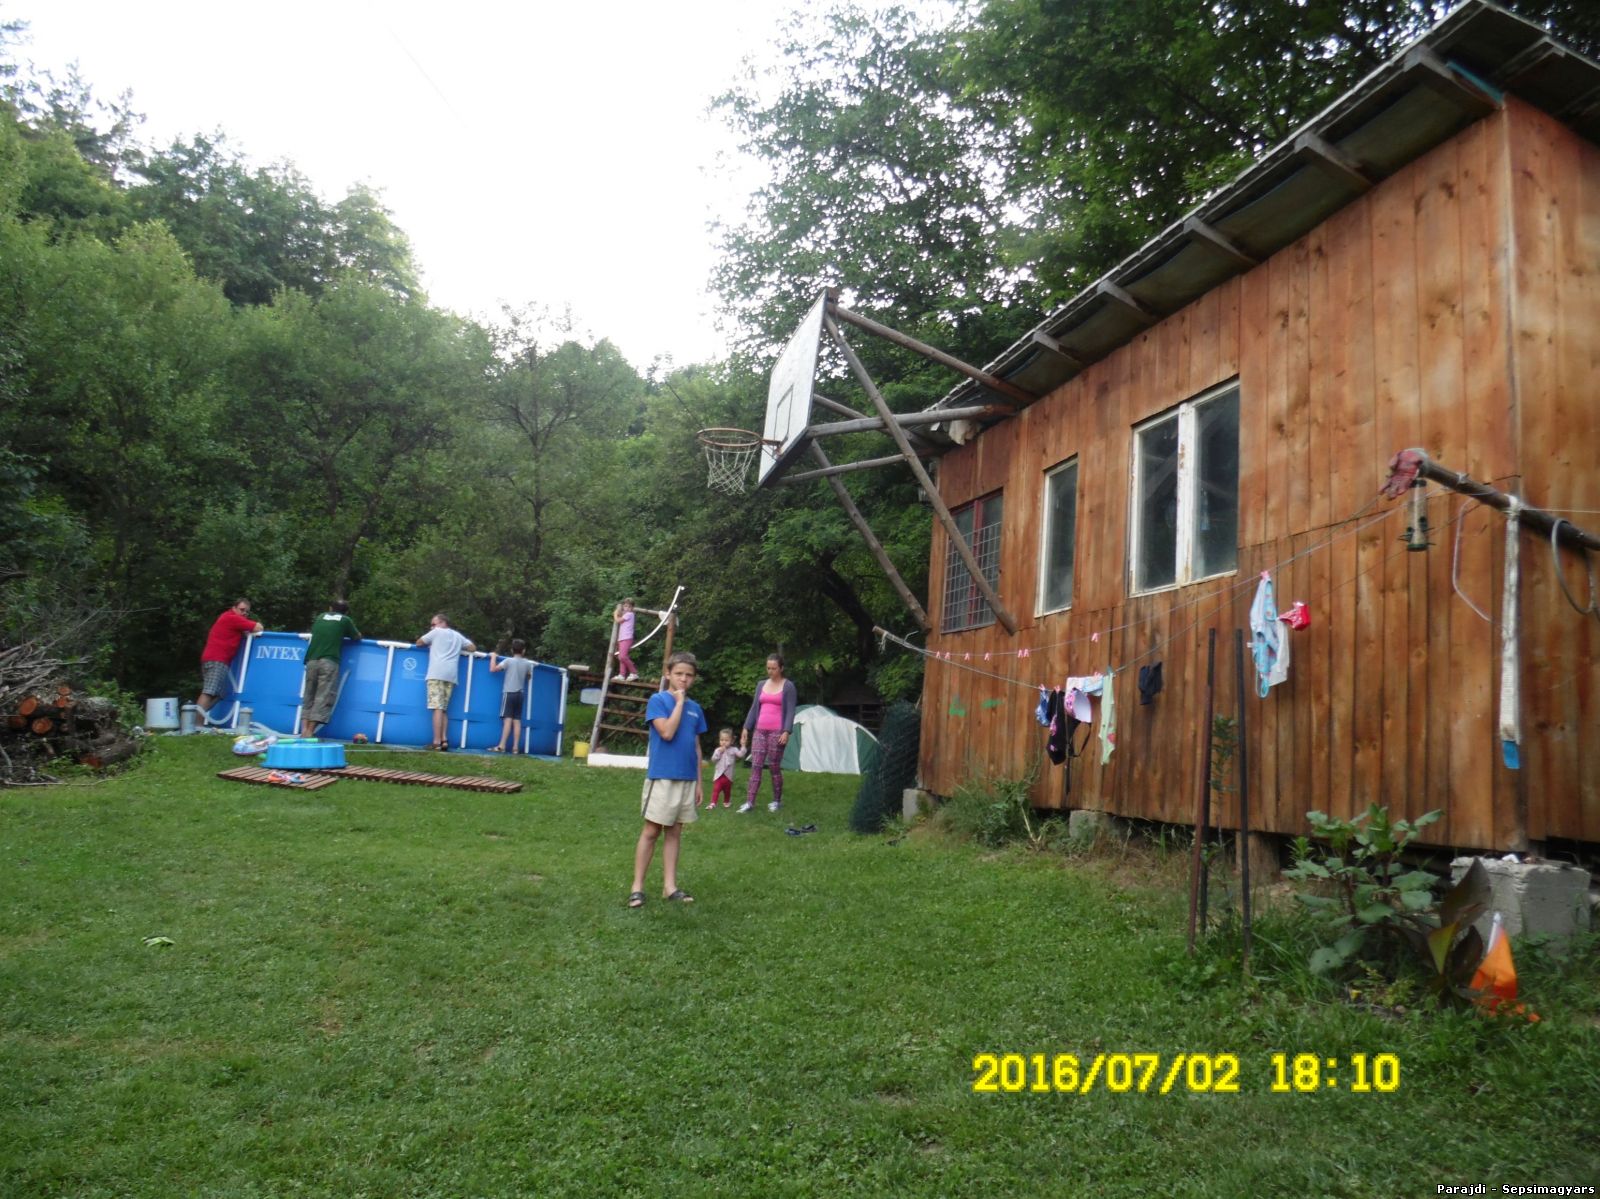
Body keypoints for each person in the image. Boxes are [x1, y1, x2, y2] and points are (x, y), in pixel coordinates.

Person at [628, 651, 706, 908]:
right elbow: (667, 733)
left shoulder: (696, 709)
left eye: (689, 675)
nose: (684, 679)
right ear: (668, 674)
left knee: (674, 832)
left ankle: (669, 887)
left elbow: (696, 747)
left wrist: (699, 782)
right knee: (652, 831)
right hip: (662, 776)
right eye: (679, 674)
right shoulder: (658, 700)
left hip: (687, 778)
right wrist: (679, 703)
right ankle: (637, 888)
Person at [739, 652, 797, 813]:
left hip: (777, 732)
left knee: (773, 766)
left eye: (774, 668)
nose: (770, 671)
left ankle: (777, 801)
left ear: (781, 668)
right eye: (768, 668)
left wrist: (786, 731)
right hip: (760, 730)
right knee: (756, 765)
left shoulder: (788, 686)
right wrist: (746, 727)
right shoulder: (761, 685)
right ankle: (749, 802)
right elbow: (754, 708)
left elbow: (790, 711)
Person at [299, 599, 361, 738]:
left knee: (309, 694)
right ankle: (309, 732)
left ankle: (303, 730)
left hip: (311, 659)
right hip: (329, 661)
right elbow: (357, 636)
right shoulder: (345, 620)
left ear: (330, 608)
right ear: (346, 611)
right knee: (323, 696)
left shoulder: (320, 617)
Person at [197, 598, 264, 724]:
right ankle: (196, 725)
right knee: (209, 692)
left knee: (220, 694)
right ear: (234, 608)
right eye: (242, 610)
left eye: (247, 612)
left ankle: (195, 719)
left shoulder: (228, 618)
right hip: (217, 659)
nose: (244, 613)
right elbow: (258, 627)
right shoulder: (232, 618)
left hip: (216, 659)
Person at [416, 613, 475, 751]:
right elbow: (472, 647)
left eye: (433, 624)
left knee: (437, 707)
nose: (431, 627)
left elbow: (419, 642)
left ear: (443, 623)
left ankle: (436, 742)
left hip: (436, 673)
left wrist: (432, 643)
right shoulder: (457, 636)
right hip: (451, 675)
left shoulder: (436, 632)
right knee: (442, 708)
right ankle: (444, 740)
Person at [488, 639, 535, 753]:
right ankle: (515, 748)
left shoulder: (508, 661)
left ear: (511, 650)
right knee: (517, 721)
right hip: (520, 694)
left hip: (509, 693)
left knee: (507, 720)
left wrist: (493, 656)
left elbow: (493, 669)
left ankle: (502, 746)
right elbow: (529, 677)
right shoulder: (527, 663)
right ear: (523, 651)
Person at [706, 728, 745, 809]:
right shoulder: (717, 750)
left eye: (726, 740)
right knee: (716, 789)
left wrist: (743, 746)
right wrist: (719, 752)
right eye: (722, 740)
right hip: (719, 775)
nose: (723, 742)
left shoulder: (733, 750)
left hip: (728, 776)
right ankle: (713, 803)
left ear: (732, 741)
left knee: (727, 790)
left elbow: (741, 755)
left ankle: (726, 802)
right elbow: (713, 760)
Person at [613, 598, 639, 681]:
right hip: (622, 638)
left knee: (623, 656)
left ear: (632, 608)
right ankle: (622, 674)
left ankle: (634, 672)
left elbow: (618, 620)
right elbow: (621, 618)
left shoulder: (630, 614)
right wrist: (619, 612)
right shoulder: (626, 614)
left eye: (629, 607)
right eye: (625, 606)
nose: (627, 608)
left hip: (627, 638)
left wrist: (615, 614)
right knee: (621, 657)